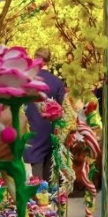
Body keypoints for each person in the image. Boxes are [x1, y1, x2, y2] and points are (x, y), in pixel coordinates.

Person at [25, 47, 66, 181]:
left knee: (36, 171)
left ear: (35, 58)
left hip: (33, 128)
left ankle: (39, 197)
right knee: (50, 169)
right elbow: (63, 108)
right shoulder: (58, 82)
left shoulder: (28, 81)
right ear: (49, 60)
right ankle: (49, 197)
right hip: (51, 130)